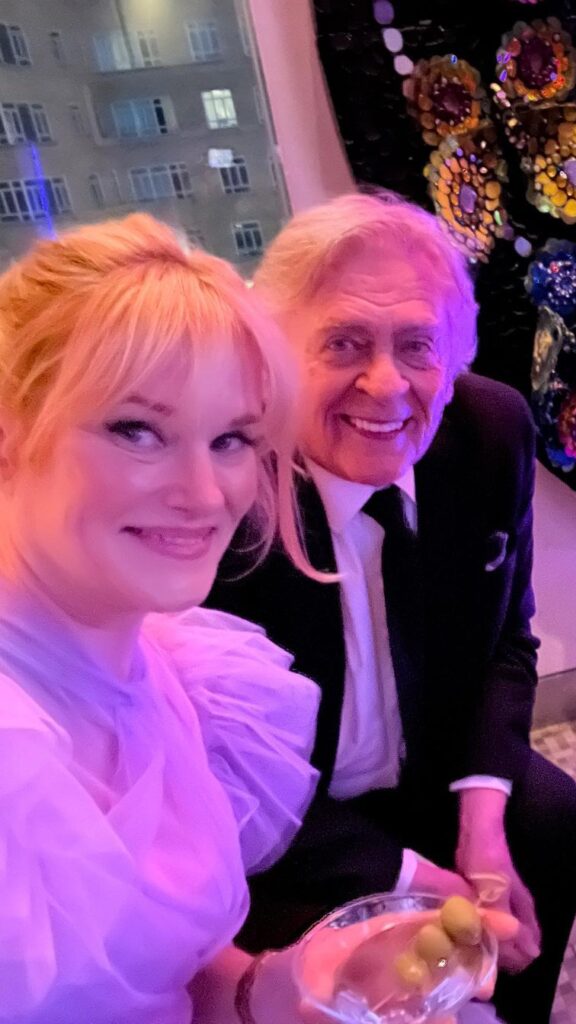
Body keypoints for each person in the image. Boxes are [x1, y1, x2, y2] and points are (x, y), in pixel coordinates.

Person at [207, 190, 576, 1024]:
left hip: (426, 768)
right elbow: (214, 778)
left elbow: (508, 641)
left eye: (417, 345)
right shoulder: (220, 492)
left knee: (551, 821)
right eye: (343, 342)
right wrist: (416, 880)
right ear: (275, 357)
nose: (385, 385)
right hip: (284, 828)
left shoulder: (491, 431)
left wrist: (481, 828)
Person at [0, 212, 326, 1023]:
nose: (205, 494)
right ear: (9, 433)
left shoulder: (168, 667)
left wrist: (273, 989)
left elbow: (154, 971)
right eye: (137, 430)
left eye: (232, 438)